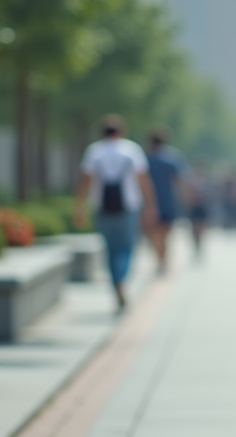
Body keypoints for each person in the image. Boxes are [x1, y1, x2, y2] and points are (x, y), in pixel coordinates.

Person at [75, 115, 156, 310]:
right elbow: (143, 181)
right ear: (122, 131)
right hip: (128, 208)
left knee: (111, 250)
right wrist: (151, 206)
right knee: (127, 247)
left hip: (102, 208)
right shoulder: (131, 150)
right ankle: (121, 281)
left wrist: (79, 208)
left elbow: (85, 181)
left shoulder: (94, 151)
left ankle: (116, 284)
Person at [145, 126, 188, 273]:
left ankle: (160, 259)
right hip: (168, 202)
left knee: (154, 234)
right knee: (166, 235)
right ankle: (163, 260)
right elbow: (179, 181)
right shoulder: (172, 158)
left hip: (150, 203)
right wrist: (185, 198)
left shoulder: (146, 159)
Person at [184, 159, 216, 257]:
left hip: (203, 206)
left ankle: (200, 243)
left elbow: (212, 193)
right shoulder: (190, 179)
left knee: (202, 227)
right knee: (194, 227)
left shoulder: (207, 180)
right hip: (193, 206)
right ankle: (195, 243)